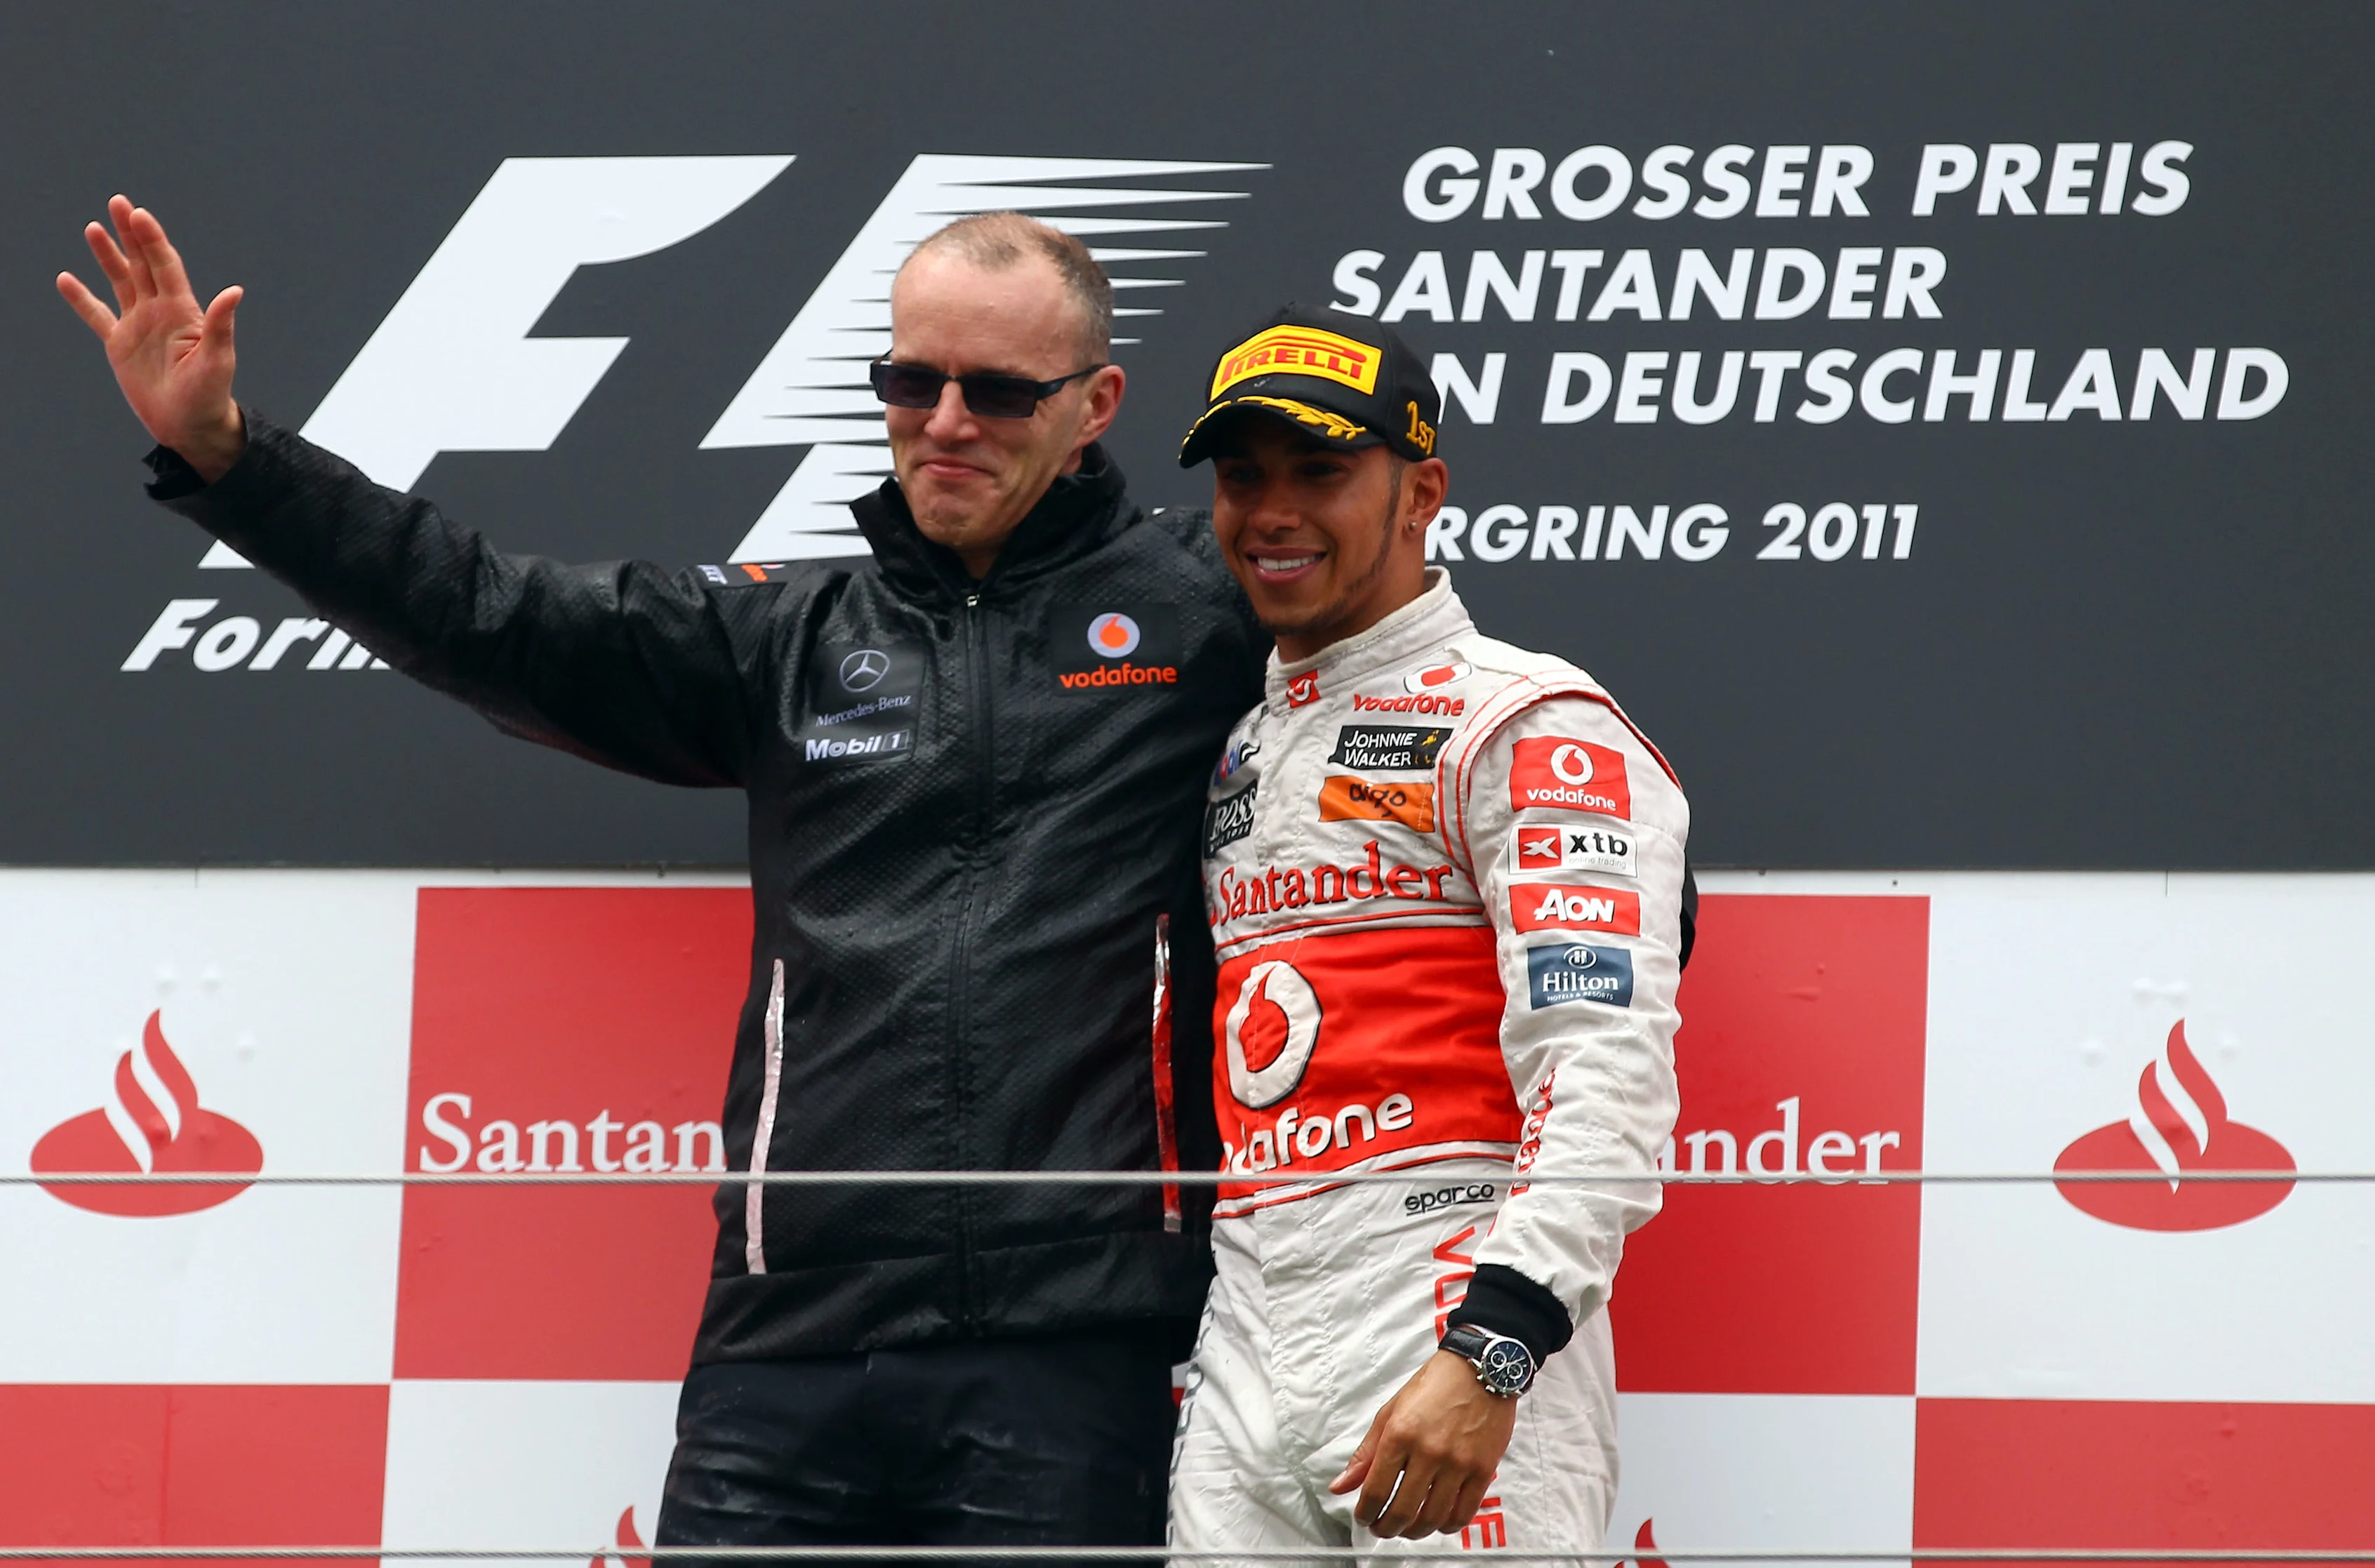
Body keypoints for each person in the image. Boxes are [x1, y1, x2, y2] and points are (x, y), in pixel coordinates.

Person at [58, 197, 1270, 1549]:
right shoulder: (793, 633)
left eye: (996, 390)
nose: (944, 421)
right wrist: (231, 458)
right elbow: (489, 613)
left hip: (1077, 1335)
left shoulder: (1213, 602)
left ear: (1095, 400)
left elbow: (1414, 653)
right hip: (788, 1330)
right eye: (909, 379)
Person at [1166, 306, 1694, 1559]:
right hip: (1249, 1316)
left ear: (1422, 494)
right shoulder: (1240, 744)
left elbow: (1608, 1067)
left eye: (1322, 472)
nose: (1273, 511)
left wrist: (1496, 1345)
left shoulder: (1526, 718)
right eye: (1244, 477)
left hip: (1448, 1298)